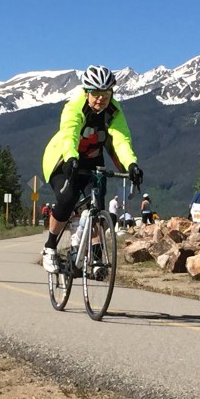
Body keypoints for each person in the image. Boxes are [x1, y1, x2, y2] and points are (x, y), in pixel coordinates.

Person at [41, 65, 144, 273]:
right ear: (87, 92)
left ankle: (95, 257)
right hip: (63, 158)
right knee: (67, 197)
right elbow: (69, 133)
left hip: (92, 161)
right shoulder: (75, 106)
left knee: (96, 207)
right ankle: (50, 247)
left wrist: (131, 164)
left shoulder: (114, 111)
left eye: (106, 94)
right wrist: (70, 157)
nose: (101, 99)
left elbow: (121, 140)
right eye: (96, 94)